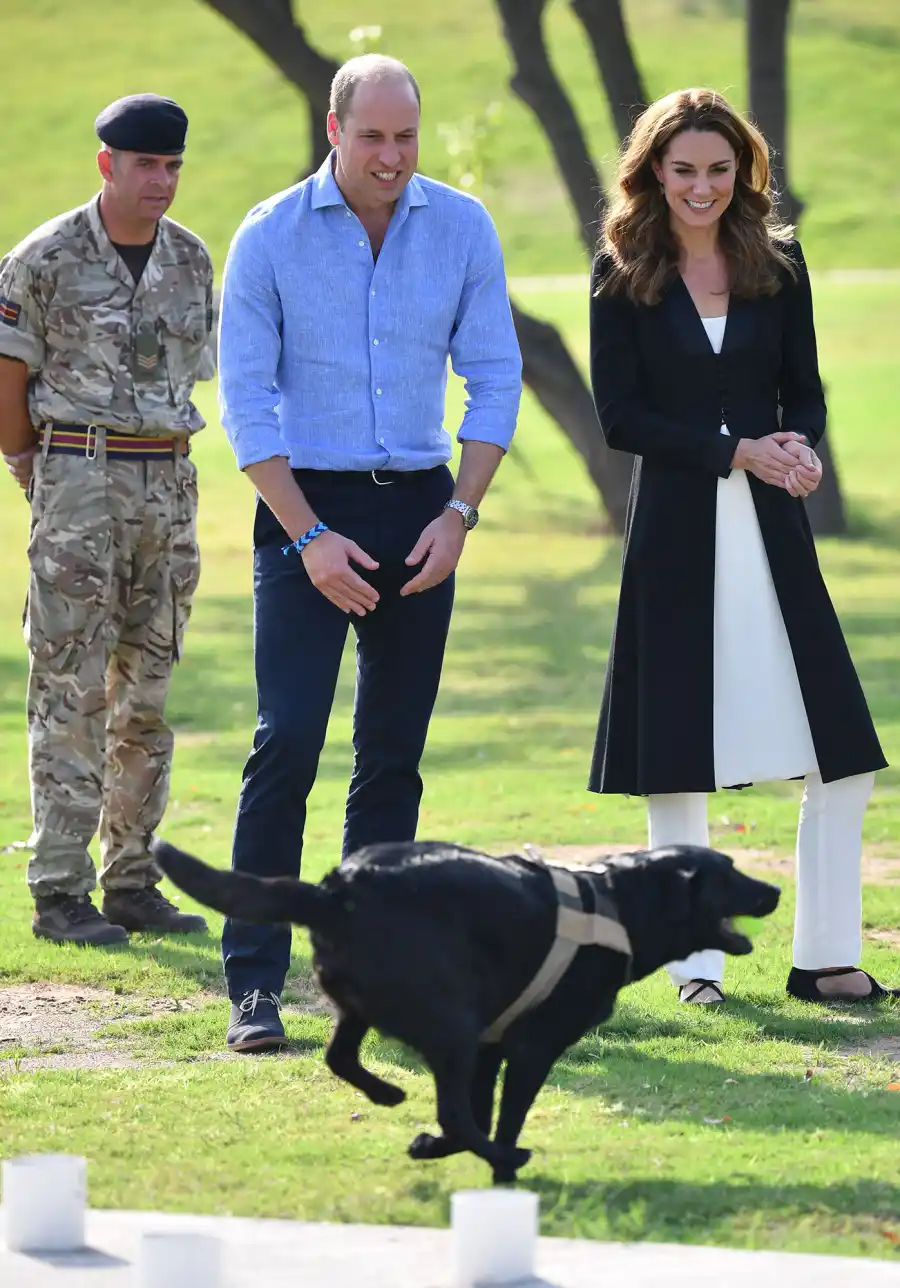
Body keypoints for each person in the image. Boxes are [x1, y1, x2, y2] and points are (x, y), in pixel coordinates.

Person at [217, 53, 521, 1051]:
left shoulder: (463, 227)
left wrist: (461, 515)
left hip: (423, 510)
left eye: (407, 136)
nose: (392, 156)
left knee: (391, 757)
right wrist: (307, 535)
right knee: (288, 741)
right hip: (306, 507)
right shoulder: (267, 236)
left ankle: (373, 971)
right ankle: (254, 983)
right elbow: (246, 405)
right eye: (373, 136)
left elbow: (494, 378)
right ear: (335, 132)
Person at [587, 87, 895, 1006]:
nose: (702, 187)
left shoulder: (781, 261)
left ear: (744, 170)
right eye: (683, 170)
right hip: (675, 532)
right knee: (677, 758)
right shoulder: (619, 270)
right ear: (652, 173)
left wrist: (797, 443)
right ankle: (695, 969)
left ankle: (827, 957)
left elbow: (804, 390)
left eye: (719, 170)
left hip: (773, 528)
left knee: (842, 758)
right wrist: (733, 451)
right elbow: (621, 416)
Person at [0, 93, 215, 946]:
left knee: (148, 692)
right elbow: (8, 387)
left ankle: (132, 877)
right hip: (79, 481)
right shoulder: (44, 258)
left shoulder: (191, 261)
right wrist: (36, 469)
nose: (159, 181)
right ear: (107, 165)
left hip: (166, 486)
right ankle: (60, 888)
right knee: (70, 688)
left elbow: (195, 374)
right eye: (144, 166)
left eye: (171, 167)